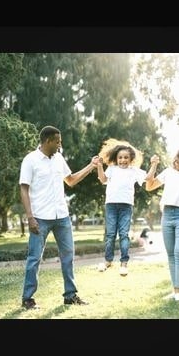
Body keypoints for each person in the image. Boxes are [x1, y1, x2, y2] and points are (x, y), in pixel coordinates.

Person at [19, 125, 99, 309]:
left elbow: (70, 180)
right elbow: (23, 188)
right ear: (47, 141)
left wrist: (91, 166)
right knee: (34, 258)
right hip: (40, 217)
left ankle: (70, 295)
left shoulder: (59, 159)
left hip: (62, 216)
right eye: (57, 142)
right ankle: (28, 298)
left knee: (68, 256)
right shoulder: (30, 160)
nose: (60, 145)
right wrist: (30, 217)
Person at [144, 148, 179, 302]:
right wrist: (154, 165)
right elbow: (149, 187)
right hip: (168, 216)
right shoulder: (168, 172)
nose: (174, 162)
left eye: (178, 162)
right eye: (175, 159)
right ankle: (175, 291)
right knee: (171, 254)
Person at [93, 138, 147, 276]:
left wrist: (153, 165)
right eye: (120, 157)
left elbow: (148, 178)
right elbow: (103, 180)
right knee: (111, 234)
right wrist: (99, 166)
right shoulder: (112, 169)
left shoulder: (134, 171)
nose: (123, 160)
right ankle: (108, 261)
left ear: (131, 159)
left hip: (126, 206)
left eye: (126, 157)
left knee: (124, 234)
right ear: (116, 158)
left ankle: (124, 263)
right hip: (111, 205)